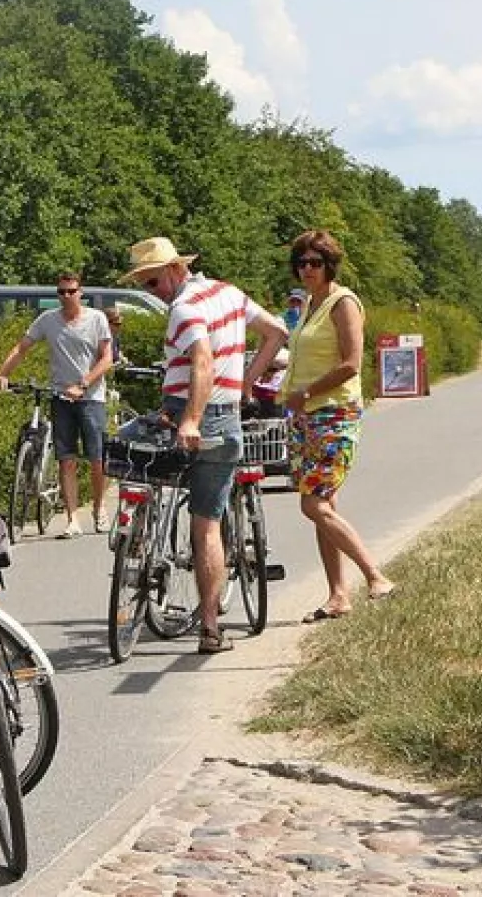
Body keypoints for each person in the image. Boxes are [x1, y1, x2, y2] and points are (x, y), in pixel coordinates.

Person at [119, 237, 287, 654]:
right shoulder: (228, 293)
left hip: (190, 411)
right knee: (207, 521)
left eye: (153, 282)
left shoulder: (185, 307)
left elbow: (202, 361)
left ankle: (139, 541)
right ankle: (210, 629)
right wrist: (247, 385)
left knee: (127, 448)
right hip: (227, 413)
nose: (152, 292)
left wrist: (190, 418)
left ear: (176, 270)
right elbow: (277, 333)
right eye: (144, 285)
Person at [281, 230, 396, 622]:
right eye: (301, 263)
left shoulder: (342, 302)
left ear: (329, 264)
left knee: (312, 502)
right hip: (306, 416)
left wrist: (306, 391)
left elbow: (350, 362)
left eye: (314, 262)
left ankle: (375, 576)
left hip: (335, 413)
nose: (307, 269)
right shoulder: (307, 305)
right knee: (323, 507)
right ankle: (337, 594)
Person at [0, 272, 114, 536]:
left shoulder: (96, 319)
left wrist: (83, 385)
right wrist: (3, 374)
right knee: (66, 460)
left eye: (71, 291)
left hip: (90, 397)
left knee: (97, 459)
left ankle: (99, 506)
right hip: (61, 396)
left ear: (81, 292)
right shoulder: (48, 320)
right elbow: (22, 348)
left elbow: (107, 358)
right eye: (61, 292)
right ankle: (72, 519)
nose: (66, 297)